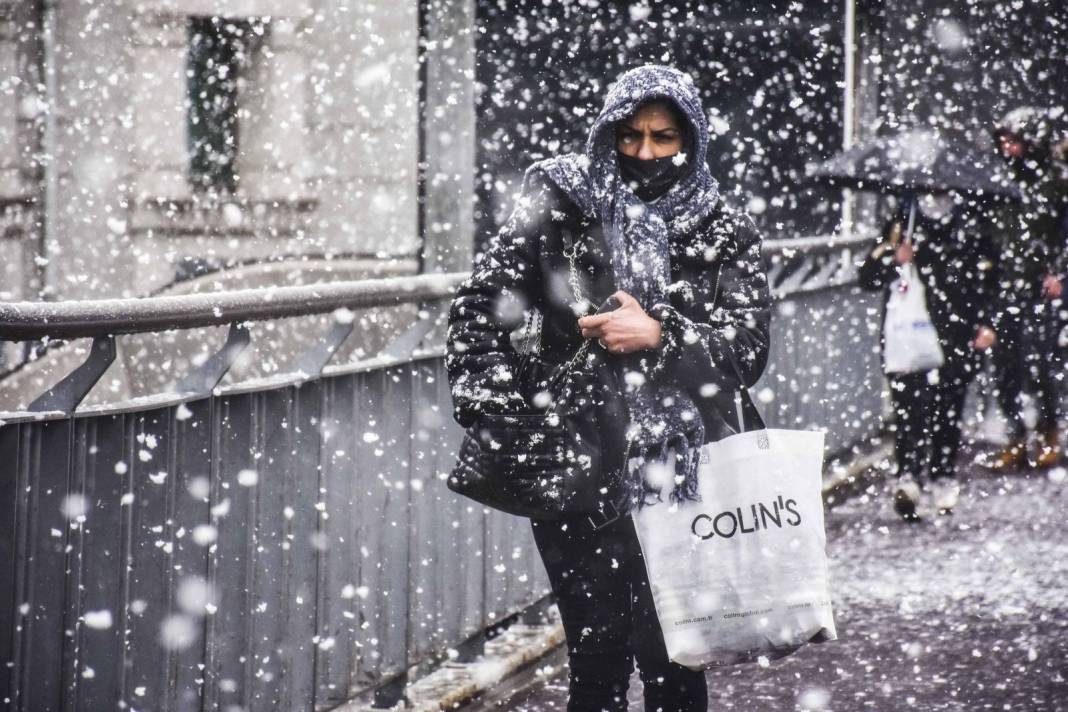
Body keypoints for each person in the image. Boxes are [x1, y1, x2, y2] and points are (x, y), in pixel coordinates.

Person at [445, 65, 771, 711]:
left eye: (664, 137)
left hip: (684, 476)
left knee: (677, 659)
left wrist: (661, 335)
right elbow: (478, 313)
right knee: (594, 664)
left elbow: (749, 351)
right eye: (630, 136)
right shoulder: (559, 203)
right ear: (606, 133)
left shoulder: (723, 226)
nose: (646, 153)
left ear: (692, 138)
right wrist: (506, 417)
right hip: (578, 465)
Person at [858, 193, 998, 520]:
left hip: (957, 329)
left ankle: (941, 473)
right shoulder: (902, 221)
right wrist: (895, 258)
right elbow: (868, 276)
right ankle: (909, 476)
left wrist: (988, 320)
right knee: (909, 408)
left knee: (948, 405)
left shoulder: (972, 220)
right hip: (911, 332)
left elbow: (991, 275)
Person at [986, 107, 1068, 470]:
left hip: (1039, 285)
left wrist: (1059, 272)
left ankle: (1049, 432)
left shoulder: (1057, 182)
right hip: (1003, 283)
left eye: (1013, 140)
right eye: (1003, 140)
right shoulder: (996, 180)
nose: (1006, 147)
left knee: (1039, 363)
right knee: (1005, 365)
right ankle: (1016, 437)